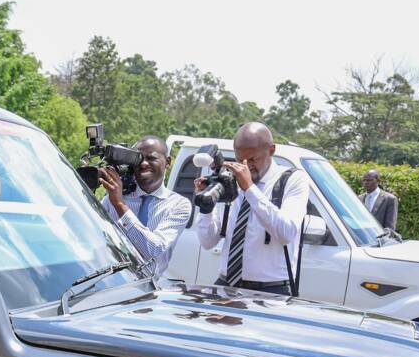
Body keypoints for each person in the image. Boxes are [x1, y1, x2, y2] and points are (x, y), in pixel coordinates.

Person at [196, 122, 308, 295]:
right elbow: (207, 242)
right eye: (240, 159)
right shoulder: (230, 181)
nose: (246, 165)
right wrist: (206, 208)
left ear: (271, 150)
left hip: (270, 291)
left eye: (253, 159)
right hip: (227, 285)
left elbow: (287, 233)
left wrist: (249, 189)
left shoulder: (292, 180)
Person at [99, 136, 192, 277]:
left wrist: (120, 205)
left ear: (167, 162)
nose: (143, 164)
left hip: (148, 289)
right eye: (139, 159)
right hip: (112, 283)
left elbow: (153, 250)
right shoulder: (111, 198)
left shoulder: (178, 205)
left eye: (151, 158)